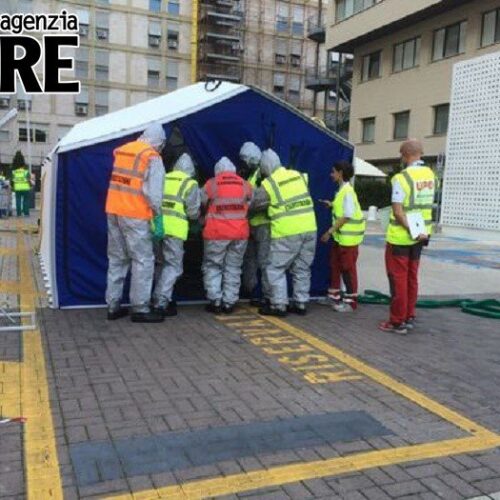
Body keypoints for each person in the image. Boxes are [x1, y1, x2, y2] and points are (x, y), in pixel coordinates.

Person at [105, 122, 166, 323]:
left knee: (117, 259)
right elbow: (154, 194)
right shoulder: (152, 157)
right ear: (160, 142)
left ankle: (113, 306)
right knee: (143, 260)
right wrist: (157, 215)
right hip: (135, 214)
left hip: (113, 210)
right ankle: (140, 308)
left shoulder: (124, 151)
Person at [379, 139, 436, 334]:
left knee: (398, 280)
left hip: (401, 237)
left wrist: (410, 230)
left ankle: (397, 321)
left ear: (404, 156)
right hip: (422, 235)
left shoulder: (401, 178)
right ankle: (409, 315)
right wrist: (419, 232)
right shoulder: (430, 175)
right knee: (412, 277)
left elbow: (397, 211)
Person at [252, 149, 317, 316]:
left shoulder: (270, 183)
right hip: (310, 228)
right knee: (302, 268)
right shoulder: (299, 175)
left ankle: (278, 305)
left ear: (265, 167)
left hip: (287, 231)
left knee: (275, 268)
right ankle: (301, 303)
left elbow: (255, 204)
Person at [202, 156, 252, 314]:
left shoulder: (212, 183)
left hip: (217, 232)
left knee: (213, 265)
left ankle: (215, 301)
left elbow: (201, 202)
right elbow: (252, 202)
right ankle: (229, 302)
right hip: (240, 233)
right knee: (233, 267)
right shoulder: (245, 184)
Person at [152, 153, 200, 317]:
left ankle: (158, 297)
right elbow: (193, 212)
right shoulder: (189, 183)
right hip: (175, 230)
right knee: (174, 267)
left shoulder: (165, 177)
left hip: (157, 227)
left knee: (160, 264)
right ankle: (161, 301)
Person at [320, 161, 366, 312]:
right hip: (341, 238)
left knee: (347, 269)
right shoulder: (342, 191)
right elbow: (343, 209)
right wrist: (332, 205)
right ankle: (334, 296)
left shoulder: (347, 192)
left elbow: (347, 215)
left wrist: (329, 231)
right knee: (335, 265)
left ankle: (351, 302)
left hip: (348, 239)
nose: (331, 175)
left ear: (340, 173)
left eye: (333, 172)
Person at [239, 142, 271, 306]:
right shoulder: (256, 173)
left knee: (262, 261)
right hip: (253, 224)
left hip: (261, 223)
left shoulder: (261, 174)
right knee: (253, 259)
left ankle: (262, 293)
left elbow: (261, 200)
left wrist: (246, 206)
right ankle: (254, 291)